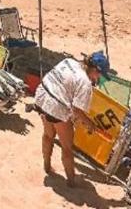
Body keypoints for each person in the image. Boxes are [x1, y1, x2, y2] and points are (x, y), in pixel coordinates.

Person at [31, 52, 112, 188]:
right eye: (99, 75)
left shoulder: (69, 61)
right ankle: (71, 181)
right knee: (67, 147)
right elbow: (77, 110)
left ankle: (47, 166)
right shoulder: (85, 83)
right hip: (56, 105)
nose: (98, 78)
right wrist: (90, 124)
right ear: (94, 70)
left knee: (48, 135)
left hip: (42, 95)